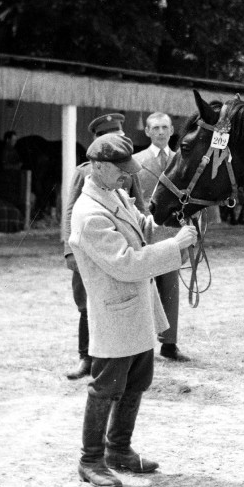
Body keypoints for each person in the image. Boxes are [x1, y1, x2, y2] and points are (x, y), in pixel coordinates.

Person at [69, 133, 198, 487]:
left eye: (127, 170)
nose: (127, 176)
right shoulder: (89, 214)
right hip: (115, 311)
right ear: (96, 167)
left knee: (137, 381)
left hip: (135, 308)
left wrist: (175, 226)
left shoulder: (115, 195)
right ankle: (91, 460)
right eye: (119, 170)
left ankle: (119, 450)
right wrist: (175, 246)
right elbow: (126, 263)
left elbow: (142, 229)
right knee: (106, 387)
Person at [62, 113, 143, 380]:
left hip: (119, 243)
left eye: (121, 136)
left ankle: (120, 357)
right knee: (86, 304)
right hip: (87, 247)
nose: (119, 141)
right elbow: (70, 209)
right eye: (112, 137)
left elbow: (138, 206)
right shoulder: (84, 172)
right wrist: (69, 250)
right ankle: (86, 358)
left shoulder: (127, 169)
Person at [133, 112, 189, 361]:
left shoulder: (182, 160)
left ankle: (169, 344)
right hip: (143, 233)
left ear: (172, 130)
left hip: (171, 234)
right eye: (155, 128)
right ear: (147, 131)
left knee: (170, 289)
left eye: (165, 127)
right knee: (143, 290)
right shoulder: (135, 161)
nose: (160, 132)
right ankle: (141, 345)